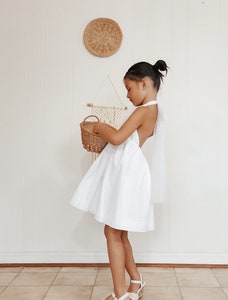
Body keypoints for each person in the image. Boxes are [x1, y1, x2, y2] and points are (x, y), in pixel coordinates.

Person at [71, 60, 168, 300]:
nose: (127, 95)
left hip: (128, 176)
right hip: (129, 173)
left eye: (129, 88)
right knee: (119, 232)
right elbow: (125, 141)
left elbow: (116, 138)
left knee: (112, 232)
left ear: (143, 83)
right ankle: (135, 279)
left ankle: (119, 293)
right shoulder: (153, 111)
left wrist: (99, 127)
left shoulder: (144, 111)